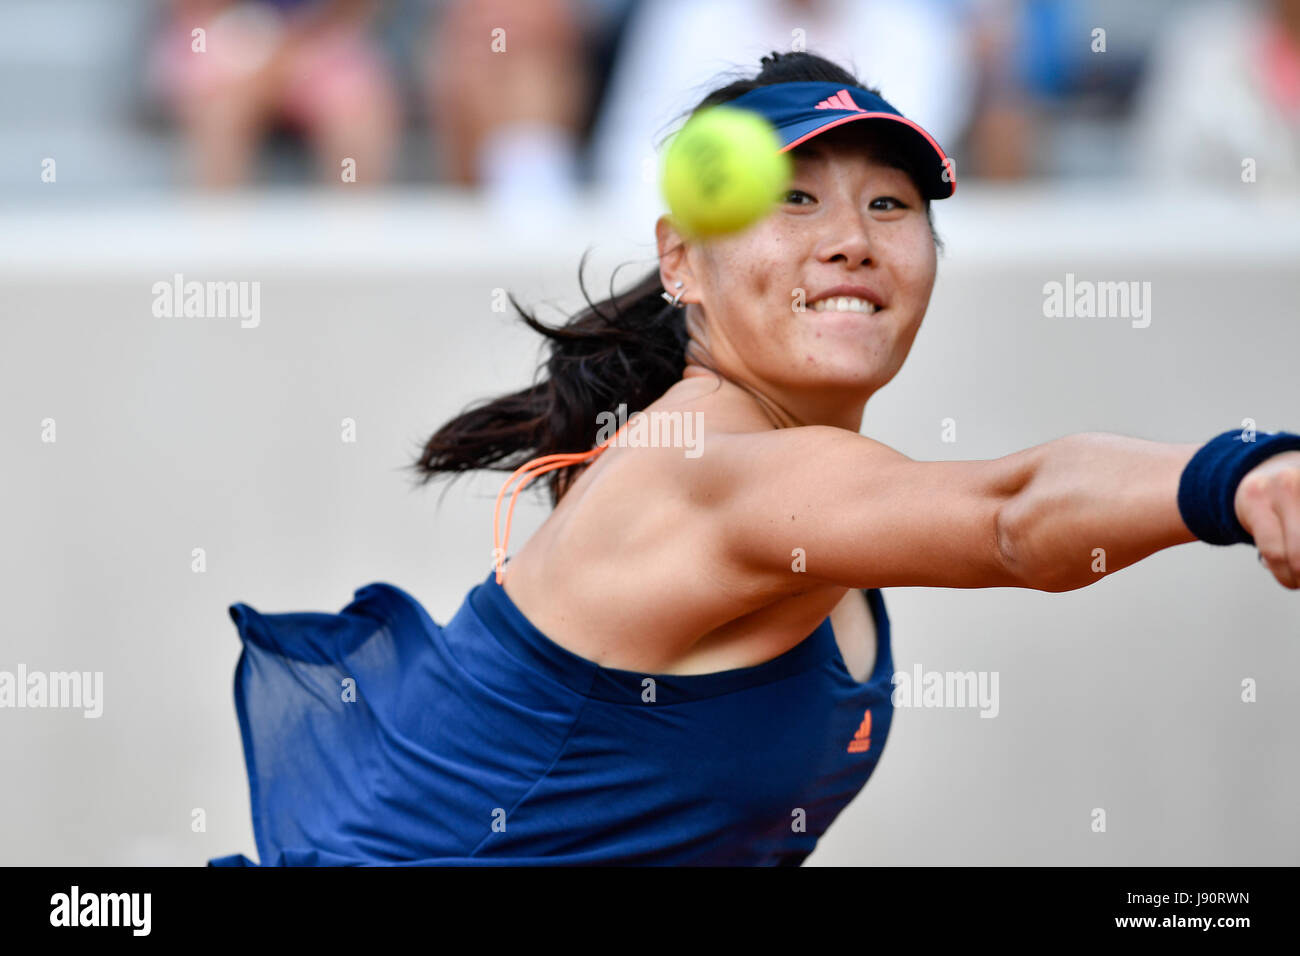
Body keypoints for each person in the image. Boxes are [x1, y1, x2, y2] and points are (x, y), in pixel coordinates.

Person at [210, 51, 1300, 867]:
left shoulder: (823, 479)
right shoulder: (707, 467)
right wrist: (1239, 474)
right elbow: (1013, 517)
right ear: (681, 257)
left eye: (890, 203)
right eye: (792, 199)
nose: (852, 236)